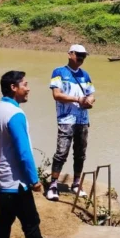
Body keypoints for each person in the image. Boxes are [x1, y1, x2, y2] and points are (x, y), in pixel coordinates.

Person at [0, 71, 69, 238]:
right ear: (14, 88)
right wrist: (34, 180)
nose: (28, 88)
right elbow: (24, 153)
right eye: (25, 84)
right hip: (16, 182)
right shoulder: (15, 115)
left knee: (3, 221)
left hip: (1, 179)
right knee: (31, 223)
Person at [47, 44, 96, 201]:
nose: (81, 58)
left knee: (80, 154)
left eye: (84, 56)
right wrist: (78, 99)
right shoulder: (59, 72)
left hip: (82, 120)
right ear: (70, 54)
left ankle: (76, 184)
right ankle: (53, 185)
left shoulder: (85, 75)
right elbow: (56, 94)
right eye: (78, 54)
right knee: (61, 153)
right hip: (66, 119)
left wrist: (90, 101)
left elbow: (92, 94)